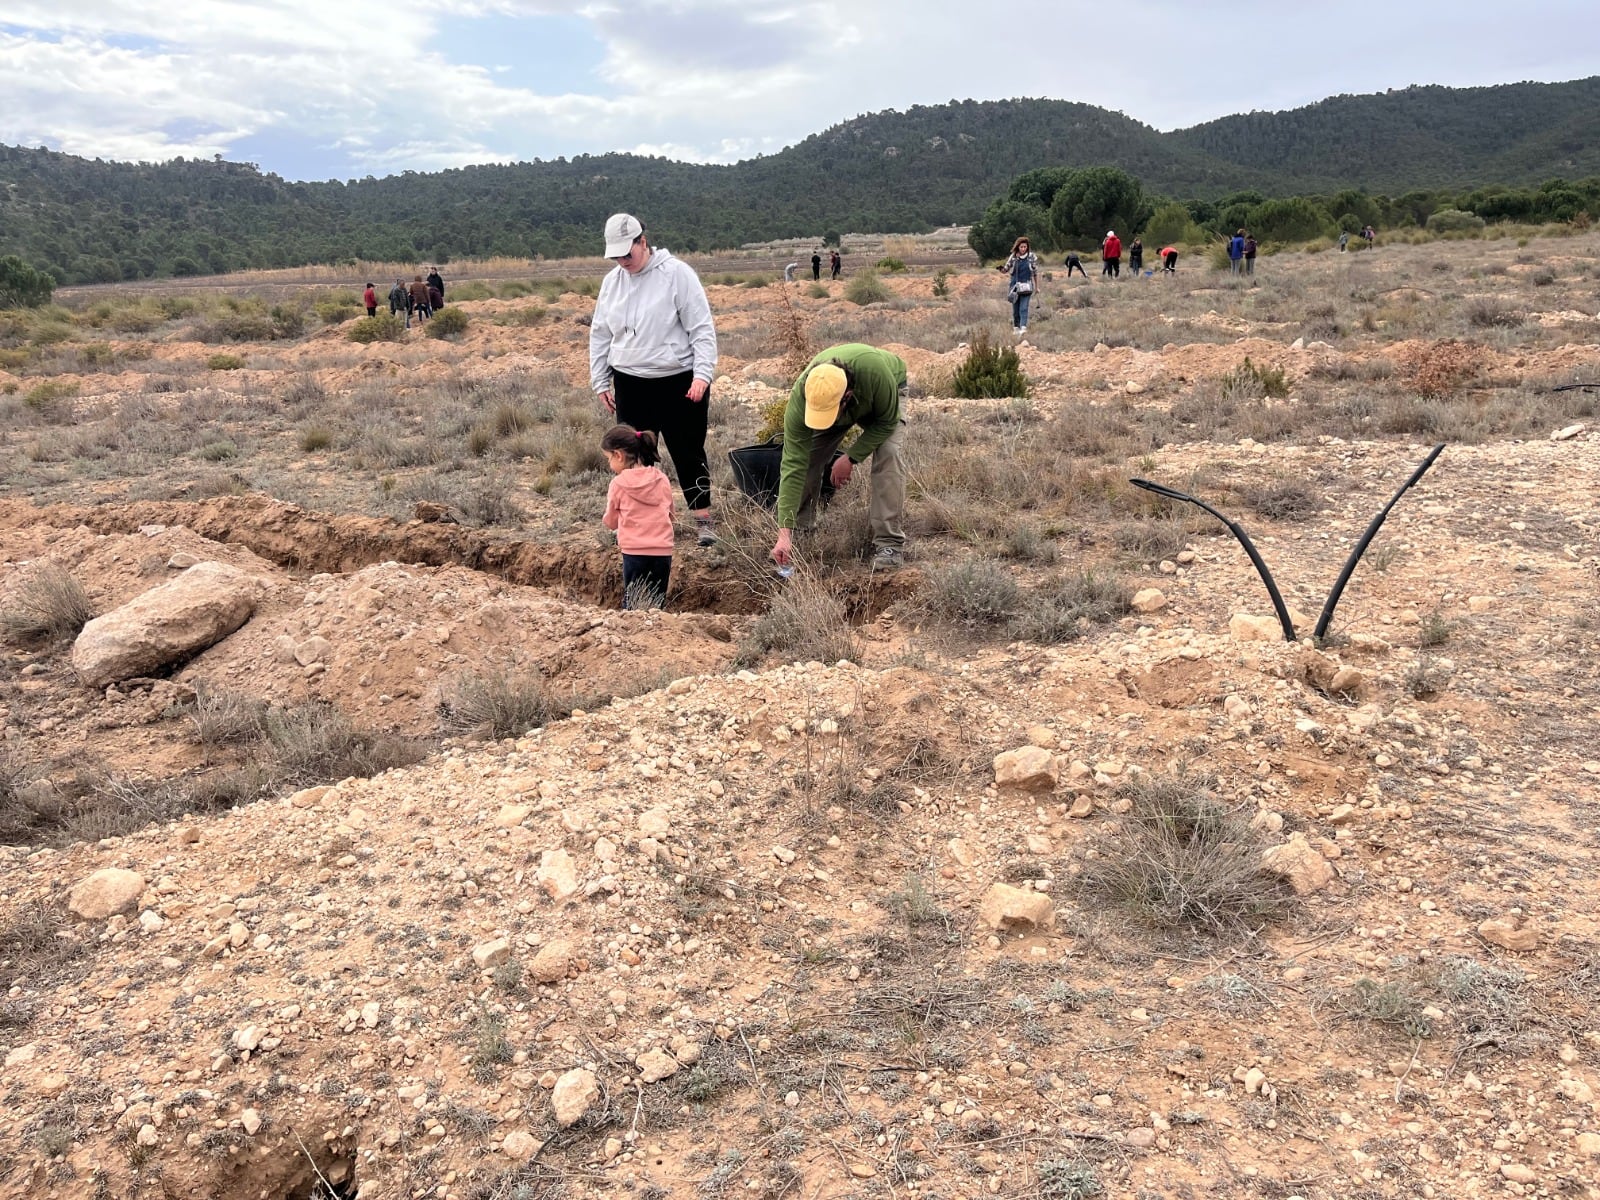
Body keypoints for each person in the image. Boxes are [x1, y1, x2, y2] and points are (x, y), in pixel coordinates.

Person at [589, 213, 720, 546]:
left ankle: (703, 520)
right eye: (616, 256)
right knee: (633, 456)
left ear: (642, 242)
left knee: (688, 451)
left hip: (679, 382)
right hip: (630, 383)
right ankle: (636, 520)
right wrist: (601, 380)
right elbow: (600, 333)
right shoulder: (612, 283)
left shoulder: (677, 274)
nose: (622, 261)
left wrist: (702, 374)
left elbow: (701, 328)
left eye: (627, 254)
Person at [770, 344, 908, 572]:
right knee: (809, 459)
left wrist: (851, 458)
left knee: (888, 455)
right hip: (842, 403)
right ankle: (799, 532)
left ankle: (889, 544)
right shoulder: (804, 396)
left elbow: (886, 423)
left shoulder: (876, 373)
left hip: (887, 391)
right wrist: (783, 531)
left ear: (847, 398)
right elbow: (793, 464)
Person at [601, 423, 675, 609]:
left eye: (609, 458)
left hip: (634, 553)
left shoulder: (618, 483)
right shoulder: (662, 478)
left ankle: (633, 636)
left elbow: (611, 522)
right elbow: (671, 515)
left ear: (619, 455)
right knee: (656, 602)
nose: (609, 464)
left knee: (632, 602)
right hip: (662, 552)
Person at [998, 236, 1039, 334]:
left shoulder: (1032, 257)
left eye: (1025, 247)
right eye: (1021, 247)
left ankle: (1023, 328)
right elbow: (1006, 269)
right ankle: (1016, 328)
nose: (1023, 249)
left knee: (1024, 308)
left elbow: (1035, 272)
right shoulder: (1013, 257)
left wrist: (1037, 287)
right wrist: (1001, 269)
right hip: (1014, 287)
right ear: (1018, 247)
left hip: (1027, 286)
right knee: (1015, 310)